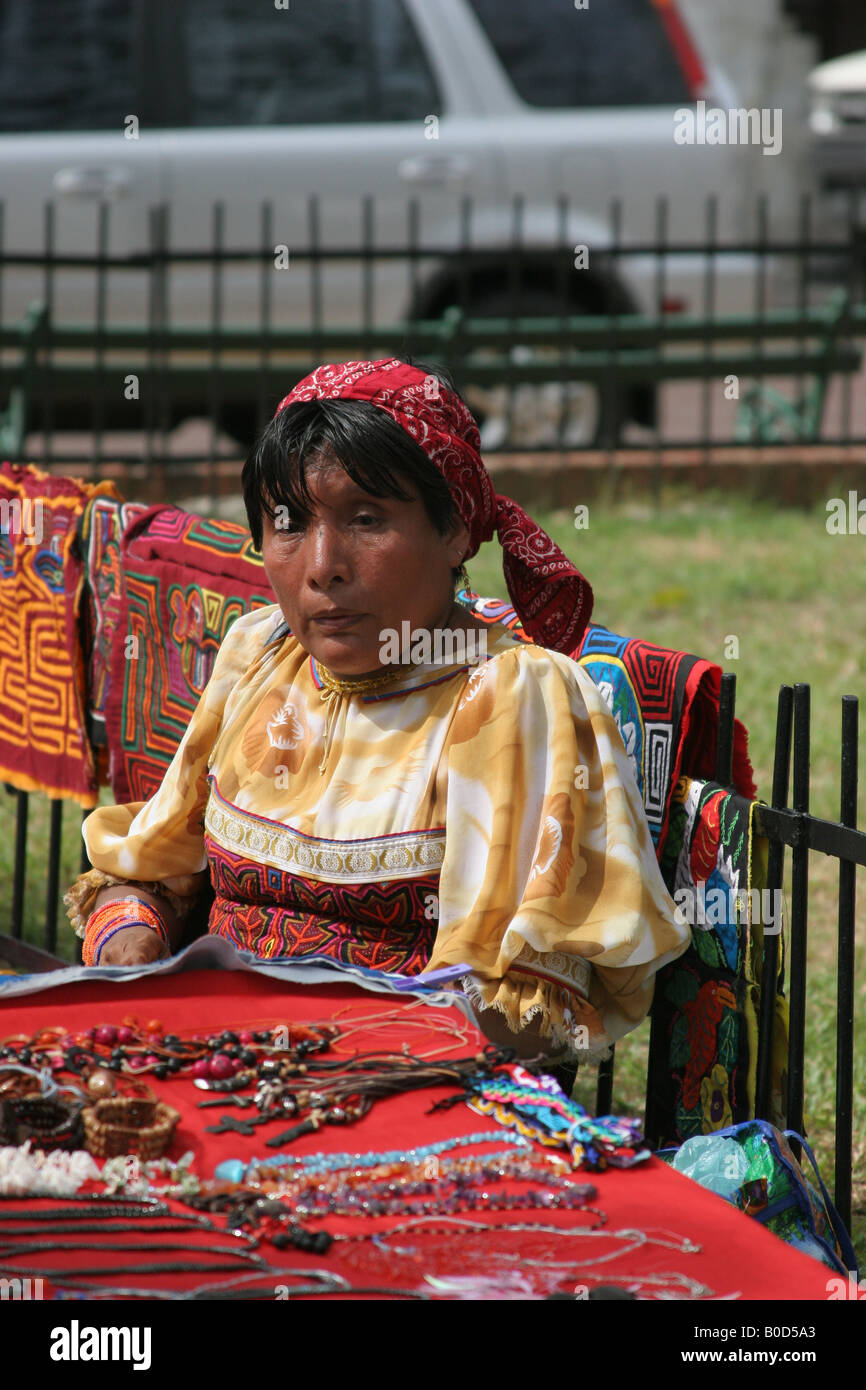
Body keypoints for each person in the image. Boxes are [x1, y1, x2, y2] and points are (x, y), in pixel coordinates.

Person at [64, 357, 689, 1062]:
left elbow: (525, 1005)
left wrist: (321, 1054)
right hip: (213, 1060)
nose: (323, 564)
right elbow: (153, 865)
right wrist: (131, 943)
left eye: (366, 519)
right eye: (289, 522)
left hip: (389, 1092)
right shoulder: (261, 652)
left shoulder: (509, 698)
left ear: (456, 531)